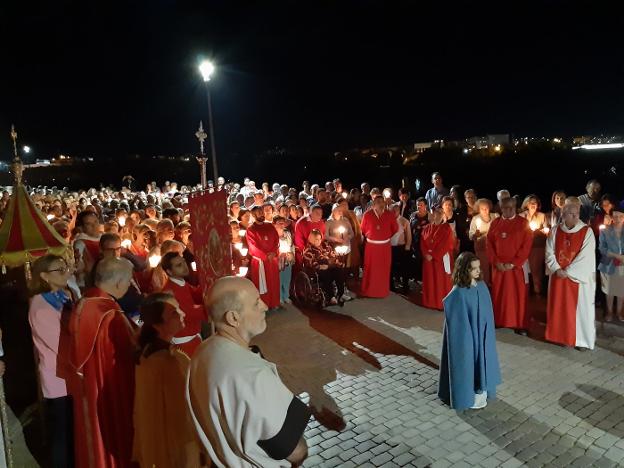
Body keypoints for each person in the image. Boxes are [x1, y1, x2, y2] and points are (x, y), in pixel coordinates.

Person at [187, 277, 311, 467]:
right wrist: (302, 451)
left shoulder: (202, 352)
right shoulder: (253, 375)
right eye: (255, 303)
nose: (265, 306)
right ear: (233, 318)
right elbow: (294, 450)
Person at [68, 257, 137, 468]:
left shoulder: (85, 301)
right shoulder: (109, 313)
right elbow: (129, 351)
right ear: (118, 283)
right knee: (112, 429)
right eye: (128, 281)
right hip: (110, 386)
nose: (129, 285)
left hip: (89, 383)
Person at [133, 292, 205, 467]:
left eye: (179, 308)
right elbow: (181, 415)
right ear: (157, 324)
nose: (183, 314)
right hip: (178, 446)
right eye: (174, 313)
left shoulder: (151, 352)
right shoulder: (166, 361)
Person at [29, 255, 77, 468]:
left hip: (71, 373)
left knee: (72, 432)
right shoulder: (40, 307)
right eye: (59, 269)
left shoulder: (63, 295)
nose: (66, 271)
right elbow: (59, 344)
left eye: (65, 267)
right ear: (44, 276)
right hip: (58, 378)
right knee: (62, 434)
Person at [438, 252, 501, 411]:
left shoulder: (482, 286)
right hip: (469, 339)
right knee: (469, 365)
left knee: (483, 363)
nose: (478, 271)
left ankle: (482, 393)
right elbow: (458, 325)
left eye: (479, 267)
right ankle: (467, 397)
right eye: (474, 269)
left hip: (482, 336)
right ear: (464, 270)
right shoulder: (459, 292)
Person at [545, 200, 596, 350]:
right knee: (560, 307)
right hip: (558, 276)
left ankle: (581, 340)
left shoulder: (587, 232)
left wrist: (567, 272)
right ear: (563, 215)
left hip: (577, 279)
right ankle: (561, 337)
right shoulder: (555, 231)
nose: (575, 217)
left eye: (577, 214)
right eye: (571, 214)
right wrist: (556, 268)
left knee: (581, 310)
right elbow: (549, 252)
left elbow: (586, 256)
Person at [486, 197, 533, 334]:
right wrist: (496, 262)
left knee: (519, 295)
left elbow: (527, 245)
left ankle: (520, 324)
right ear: (501, 208)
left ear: (515, 208)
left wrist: (514, 263)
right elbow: (489, 244)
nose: (508, 210)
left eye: (511, 208)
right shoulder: (495, 223)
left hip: (517, 267)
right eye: (505, 208)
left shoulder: (523, 223)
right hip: (499, 266)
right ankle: (500, 320)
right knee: (500, 294)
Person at [161, 252, 207, 356]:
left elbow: (194, 294)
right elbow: (189, 313)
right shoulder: (170, 291)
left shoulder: (180, 282)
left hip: (193, 338)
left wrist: (207, 284)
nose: (185, 266)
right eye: (179, 265)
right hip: (185, 344)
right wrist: (211, 306)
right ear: (169, 271)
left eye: (184, 262)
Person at [360, 196, 399, 298]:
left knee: (383, 269)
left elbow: (395, 228)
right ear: (373, 204)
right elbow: (363, 229)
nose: (381, 204)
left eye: (382, 202)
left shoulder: (389, 214)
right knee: (370, 268)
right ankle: (369, 291)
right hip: (371, 247)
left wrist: (385, 236)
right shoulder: (367, 215)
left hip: (384, 247)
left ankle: (382, 292)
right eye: (378, 202)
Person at [247, 205, 280, 309]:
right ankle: (263, 305)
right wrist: (265, 256)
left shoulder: (270, 226)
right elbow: (253, 247)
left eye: (262, 212)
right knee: (262, 284)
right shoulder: (251, 229)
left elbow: (276, 241)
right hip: (260, 262)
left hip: (272, 260)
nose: (261, 214)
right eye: (258, 212)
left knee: (273, 282)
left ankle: (274, 303)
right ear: (253, 215)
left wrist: (274, 253)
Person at [420, 209, 455, 310]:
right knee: (430, 281)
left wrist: (434, 255)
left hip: (440, 259)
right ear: (432, 214)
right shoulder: (426, 228)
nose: (438, 215)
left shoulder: (447, 228)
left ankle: (440, 304)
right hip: (428, 260)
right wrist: (426, 254)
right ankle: (429, 302)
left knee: (440, 282)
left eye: (440, 213)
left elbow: (447, 244)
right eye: (436, 213)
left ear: (443, 215)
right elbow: (422, 242)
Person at [303, 230, 347, 306]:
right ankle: (331, 297)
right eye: (316, 239)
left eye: (320, 239)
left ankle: (341, 294)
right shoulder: (308, 249)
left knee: (339, 271)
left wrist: (336, 261)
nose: (319, 241)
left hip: (329, 266)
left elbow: (332, 255)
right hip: (317, 270)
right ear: (312, 239)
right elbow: (310, 262)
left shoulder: (325, 245)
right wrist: (320, 266)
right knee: (326, 274)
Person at [598, 206, 624, 321]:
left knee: (621, 290)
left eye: (621, 216)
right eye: (615, 216)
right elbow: (602, 248)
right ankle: (609, 311)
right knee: (609, 289)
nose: (618, 219)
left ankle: (619, 312)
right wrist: (616, 256)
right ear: (612, 217)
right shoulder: (605, 230)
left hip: (623, 265)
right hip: (608, 264)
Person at [519, 195, 548, 295]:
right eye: (531, 202)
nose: (533, 204)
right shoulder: (521, 216)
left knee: (536, 269)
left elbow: (546, 230)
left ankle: (537, 291)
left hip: (537, 245)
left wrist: (541, 231)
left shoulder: (542, 216)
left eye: (535, 203)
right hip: (524, 246)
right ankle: (525, 290)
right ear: (526, 204)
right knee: (524, 269)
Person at [468, 199, 498, 286]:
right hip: (481, 247)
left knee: (494, 267)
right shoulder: (475, 219)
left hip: (494, 247)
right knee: (483, 268)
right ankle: (485, 287)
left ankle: (496, 285)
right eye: (482, 208)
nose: (485, 210)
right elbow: (471, 236)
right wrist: (476, 235)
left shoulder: (495, 216)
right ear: (478, 209)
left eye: (486, 208)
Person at [390, 202, 412, 293]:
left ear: (399, 211)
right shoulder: (388, 220)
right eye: (393, 210)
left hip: (401, 247)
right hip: (391, 248)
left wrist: (407, 246)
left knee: (404, 268)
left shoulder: (404, 221)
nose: (395, 212)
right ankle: (391, 285)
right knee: (391, 267)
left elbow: (408, 235)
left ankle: (405, 285)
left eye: (396, 210)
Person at [273, 216, 295, 305]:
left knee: (287, 279)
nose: (282, 225)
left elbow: (291, 245)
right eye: (280, 223)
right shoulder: (273, 234)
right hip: (278, 261)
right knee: (279, 279)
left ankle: (286, 296)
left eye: (283, 223)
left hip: (287, 260)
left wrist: (291, 255)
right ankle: (279, 297)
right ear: (274, 224)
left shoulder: (287, 233)